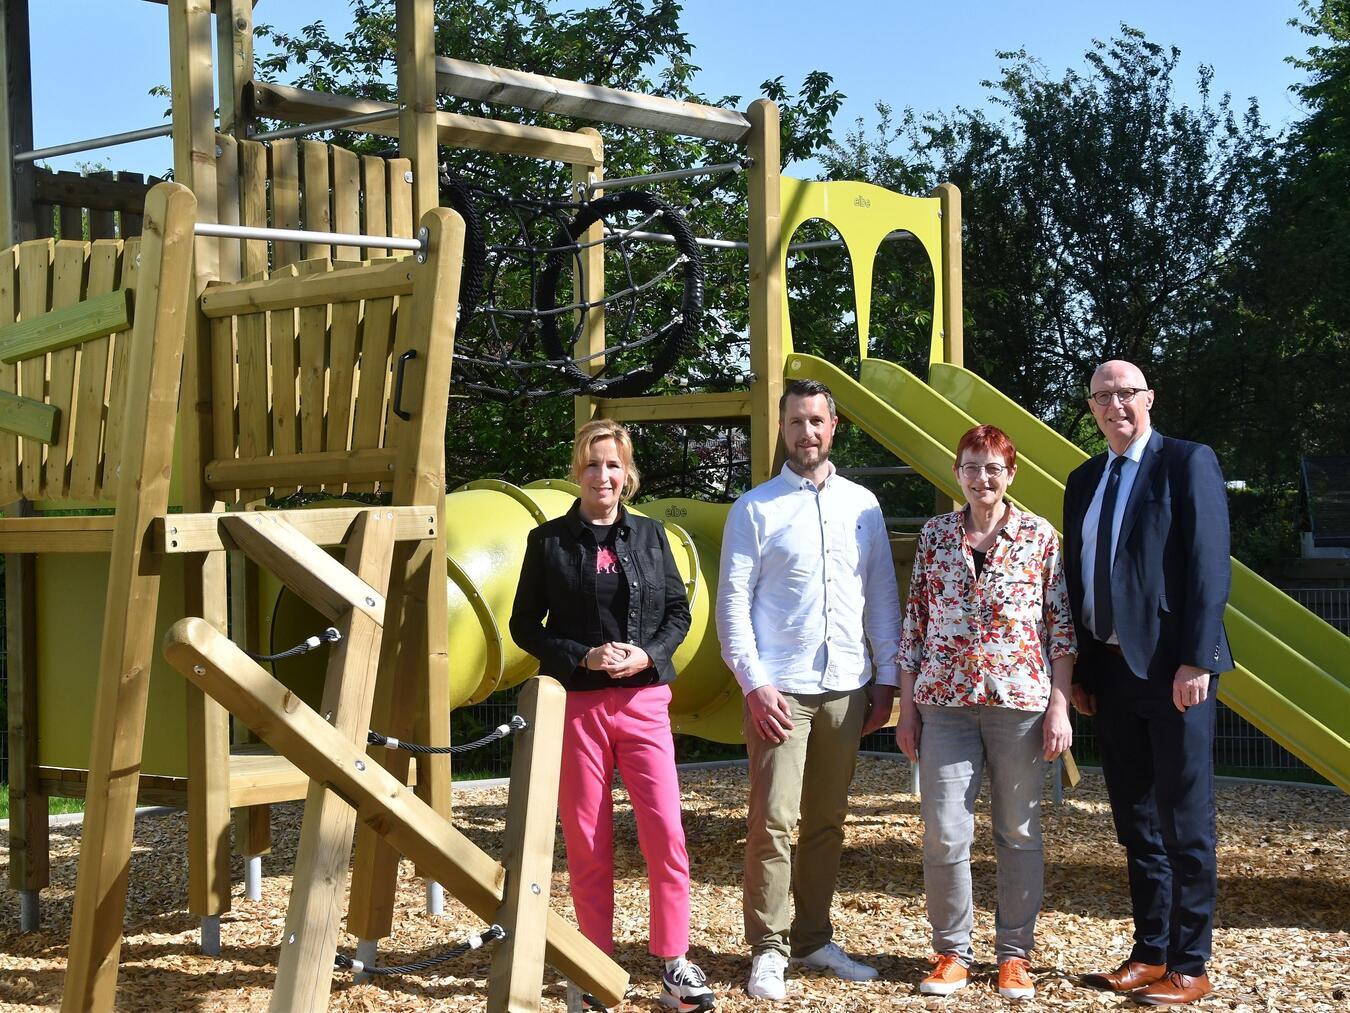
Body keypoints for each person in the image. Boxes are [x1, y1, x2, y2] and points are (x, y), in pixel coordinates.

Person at [510, 419, 715, 1013]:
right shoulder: (547, 542)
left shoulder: (654, 537)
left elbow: (678, 612)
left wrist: (648, 652)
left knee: (666, 833)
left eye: (615, 465)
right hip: (578, 705)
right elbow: (525, 626)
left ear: (629, 474)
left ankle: (674, 961)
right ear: (579, 470)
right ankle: (592, 965)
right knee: (587, 838)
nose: (605, 475)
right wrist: (583, 655)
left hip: (645, 700)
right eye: (595, 464)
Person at [716, 378, 901, 1002]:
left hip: (848, 687)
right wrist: (755, 684)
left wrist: (887, 677)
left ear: (833, 426)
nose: (807, 433)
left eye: (817, 421)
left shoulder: (863, 506)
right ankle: (767, 948)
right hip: (782, 692)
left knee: (826, 822)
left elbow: (881, 596)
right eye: (796, 422)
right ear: (783, 429)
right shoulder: (755, 508)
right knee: (772, 823)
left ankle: (814, 938)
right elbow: (733, 608)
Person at [1063, 360, 1232, 1007]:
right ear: (1092, 405)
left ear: (1149, 397)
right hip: (1108, 673)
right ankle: (1150, 949)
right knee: (1134, 822)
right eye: (1103, 395)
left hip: (1174, 674)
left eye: (1126, 392)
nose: (1115, 404)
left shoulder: (1186, 462)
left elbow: (1208, 567)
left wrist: (1197, 659)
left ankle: (1191, 963)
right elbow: (1080, 580)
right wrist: (1079, 668)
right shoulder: (1082, 479)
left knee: (1185, 820)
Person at [895, 424, 1076, 1001]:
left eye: (994, 468)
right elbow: (914, 626)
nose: (983, 478)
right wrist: (906, 708)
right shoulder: (936, 537)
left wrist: (1060, 707)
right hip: (943, 704)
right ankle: (951, 952)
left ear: (1011, 475)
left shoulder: (1040, 537)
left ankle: (1014, 955)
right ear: (957, 473)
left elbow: (1061, 630)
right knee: (945, 833)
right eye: (972, 467)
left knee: (1018, 832)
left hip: (1019, 704)